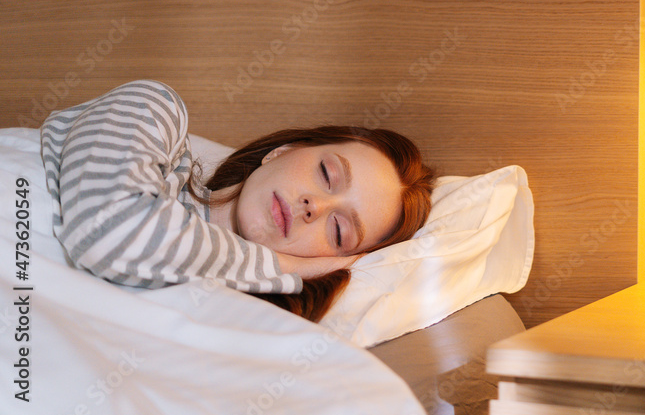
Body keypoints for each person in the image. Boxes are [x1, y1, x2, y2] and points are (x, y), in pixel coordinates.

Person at [40, 79, 434, 322]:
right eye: (327, 174)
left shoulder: (236, 320)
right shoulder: (154, 112)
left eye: (338, 230)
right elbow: (107, 234)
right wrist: (289, 263)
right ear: (282, 150)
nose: (316, 206)